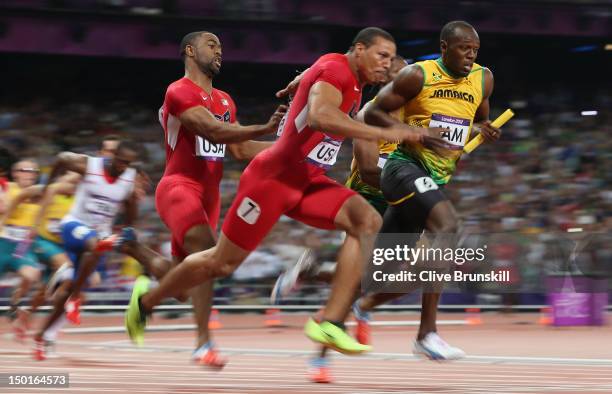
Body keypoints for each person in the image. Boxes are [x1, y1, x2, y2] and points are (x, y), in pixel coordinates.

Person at [126, 26, 447, 356]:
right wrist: (402, 132)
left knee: (365, 220)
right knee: (221, 264)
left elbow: (316, 77)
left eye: (392, 59)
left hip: (308, 181)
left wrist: (300, 81)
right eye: (382, 55)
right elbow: (322, 116)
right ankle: (147, 303)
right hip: (271, 182)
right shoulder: (337, 68)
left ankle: (330, 322)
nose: (386, 64)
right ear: (359, 50)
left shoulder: (354, 82)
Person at [360, 20, 502, 360]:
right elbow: (373, 114)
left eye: (475, 50)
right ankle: (427, 334)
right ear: (444, 47)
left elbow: (478, 120)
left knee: (378, 273)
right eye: (463, 48)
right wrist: (416, 135)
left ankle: (350, 299)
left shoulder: (483, 79)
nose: (470, 55)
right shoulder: (418, 75)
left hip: (434, 179)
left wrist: (485, 131)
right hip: (402, 168)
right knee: (448, 227)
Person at [154, 31, 286, 368]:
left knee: (184, 282)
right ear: (189, 50)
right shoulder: (178, 91)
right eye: (212, 45)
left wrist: (295, 148)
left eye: (222, 47)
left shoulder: (226, 101)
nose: (219, 51)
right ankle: (203, 344)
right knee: (204, 247)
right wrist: (265, 128)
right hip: (178, 187)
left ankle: (143, 273)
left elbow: (240, 149)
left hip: (210, 197)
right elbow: (213, 132)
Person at [32, 141, 142, 357]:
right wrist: (47, 186)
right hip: (73, 226)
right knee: (96, 246)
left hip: (99, 237)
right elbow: (63, 157)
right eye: (120, 161)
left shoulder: (129, 178)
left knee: (70, 285)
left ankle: (43, 335)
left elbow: (131, 206)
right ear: (112, 157)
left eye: (127, 164)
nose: (122, 167)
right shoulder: (89, 165)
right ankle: (74, 297)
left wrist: (128, 229)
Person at [0, 159, 42, 338]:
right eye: (25, 170)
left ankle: (14, 303)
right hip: (3, 242)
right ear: (15, 173)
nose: (29, 173)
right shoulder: (6, 188)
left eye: (34, 171)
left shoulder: (41, 194)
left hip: (22, 246)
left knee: (33, 274)